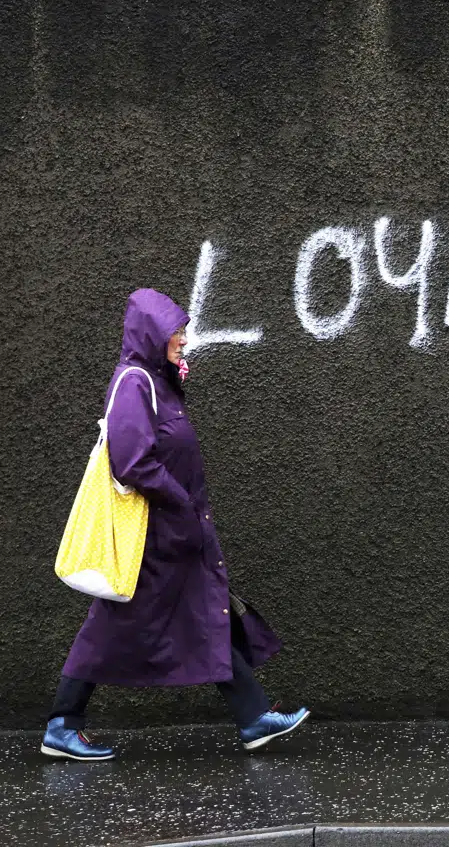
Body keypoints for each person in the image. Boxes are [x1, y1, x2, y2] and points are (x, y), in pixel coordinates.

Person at [42, 288, 309, 761]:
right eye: (175, 332)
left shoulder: (157, 382)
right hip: (154, 537)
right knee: (112, 626)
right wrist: (181, 501)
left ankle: (253, 717)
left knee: (207, 610)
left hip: (176, 533)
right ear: (151, 334)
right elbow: (132, 461)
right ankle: (62, 724)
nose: (184, 339)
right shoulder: (134, 383)